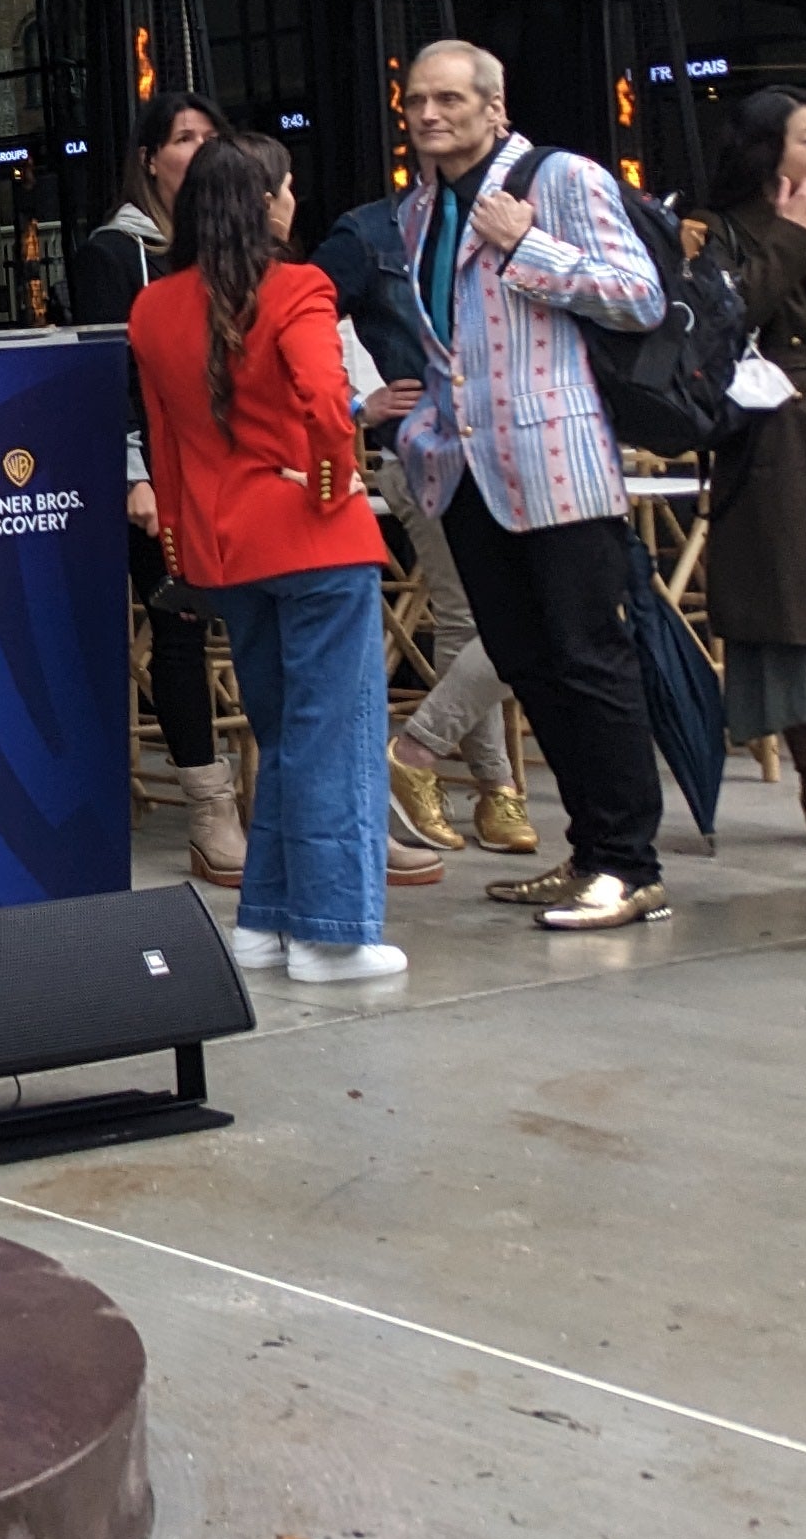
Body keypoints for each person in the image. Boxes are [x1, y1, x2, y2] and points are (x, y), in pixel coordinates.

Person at [391, 40, 673, 931]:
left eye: (447, 100)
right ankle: (590, 851)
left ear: (493, 105)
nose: (429, 115)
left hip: (557, 464)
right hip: (466, 469)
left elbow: (640, 297)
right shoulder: (417, 212)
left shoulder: (560, 180)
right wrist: (420, 426)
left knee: (589, 658)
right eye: (414, 102)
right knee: (527, 661)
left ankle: (631, 865)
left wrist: (531, 247)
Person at [133, 135, 403, 982]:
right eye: (284, 187)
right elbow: (329, 400)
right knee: (338, 735)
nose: (292, 200)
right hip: (311, 530)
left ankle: (268, 920)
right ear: (267, 203)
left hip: (224, 543)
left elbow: (167, 442)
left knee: (286, 732)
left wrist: (182, 535)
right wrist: (331, 483)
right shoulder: (298, 287)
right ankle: (330, 930)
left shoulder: (155, 306)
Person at [322, 188, 538, 859]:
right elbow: (288, 325)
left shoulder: (523, 210)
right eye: (431, 102)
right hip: (427, 449)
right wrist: (358, 402)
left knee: (507, 616)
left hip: (523, 444)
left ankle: (431, 758)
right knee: (486, 619)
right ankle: (483, 784)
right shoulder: (369, 231)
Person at [73, 92, 246, 884]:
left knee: (260, 623)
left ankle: (278, 795)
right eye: (185, 139)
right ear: (150, 159)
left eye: (213, 137)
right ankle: (210, 811)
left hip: (235, 466)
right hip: (156, 473)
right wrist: (135, 470)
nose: (203, 150)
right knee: (178, 624)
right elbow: (114, 374)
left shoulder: (234, 246)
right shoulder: (118, 252)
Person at [702, 87, 806, 850]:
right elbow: (724, 326)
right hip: (783, 445)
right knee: (796, 622)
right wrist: (790, 238)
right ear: (769, 149)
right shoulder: (723, 232)